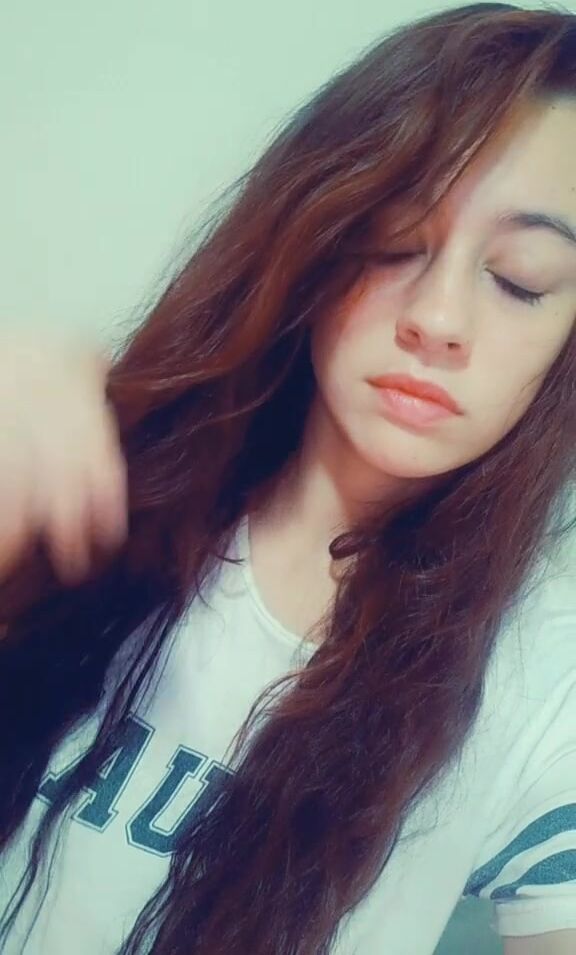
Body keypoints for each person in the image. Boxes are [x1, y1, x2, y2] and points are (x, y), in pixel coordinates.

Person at [0, 3, 575, 953]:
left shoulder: (545, 680)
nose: (438, 319)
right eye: (394, 241)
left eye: (520, 278)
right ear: (314, 235)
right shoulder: (99, 480)